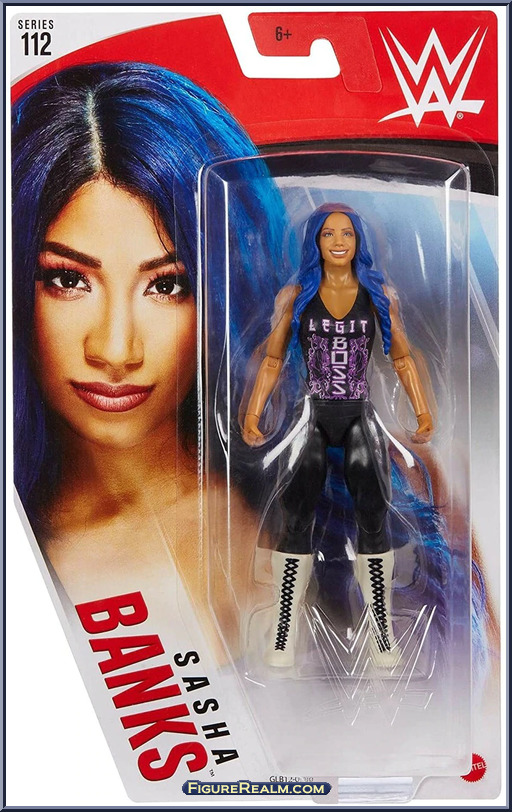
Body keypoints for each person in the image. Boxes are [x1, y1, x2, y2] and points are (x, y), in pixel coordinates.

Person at [12, 62, 284, 651]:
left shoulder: (347, 494)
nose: (115, 350)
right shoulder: (22, 561)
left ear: (226, 290)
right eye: (68, 280)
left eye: (167, 285)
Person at [242, 202, 435, 667]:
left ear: (358, 241)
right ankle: (285, 629)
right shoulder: (296, 294)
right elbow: (272, 359)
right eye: (328, 234)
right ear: (315, 242)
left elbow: (402, 357)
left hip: (357, 413)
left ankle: (381, 629)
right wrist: (254, 412)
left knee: (373, 510)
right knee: (296, 514)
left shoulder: (378, 294)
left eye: (346, 233)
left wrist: (422, 411)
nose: (338, 241)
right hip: (311, 413)